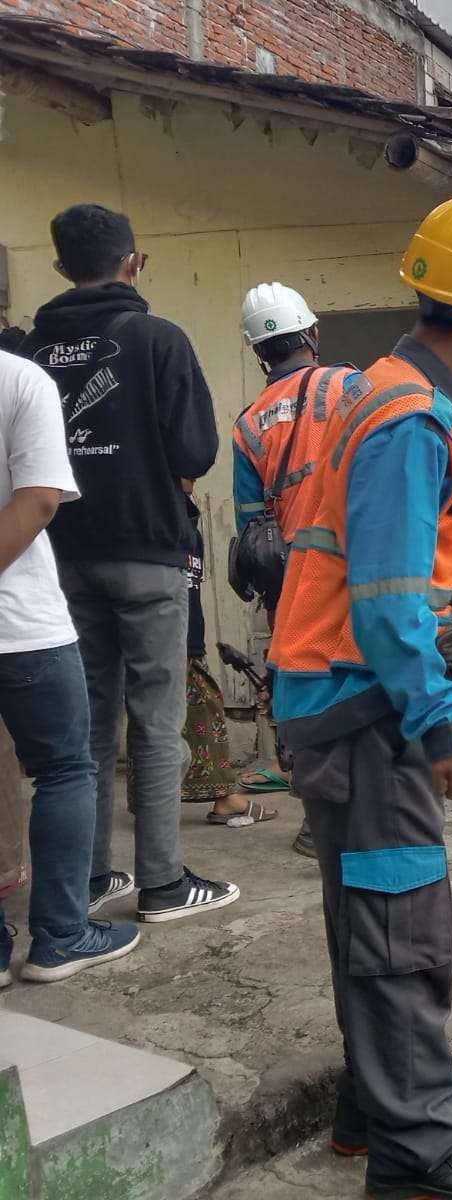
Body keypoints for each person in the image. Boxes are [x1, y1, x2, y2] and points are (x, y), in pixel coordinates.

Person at [269, 195, 452, 1200]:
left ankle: (379, 1104)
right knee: (402, 929)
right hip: (364, 710)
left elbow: (389, 569)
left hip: (331, 695)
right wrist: (438, 719)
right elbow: (386, 600)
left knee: (368, 916)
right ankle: (417, 1155)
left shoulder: (383, 391)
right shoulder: (407, 419)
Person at [22, 203, 238, 923]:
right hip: (146, 551)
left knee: (86, 723)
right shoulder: (157, 338)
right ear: (133, 261)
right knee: (156, 719)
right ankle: (164, 884)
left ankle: (90, 877)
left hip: (58, 559)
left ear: (60, 269)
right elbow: (194, 453)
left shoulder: (28, 354)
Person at [0, 347, 141, 984]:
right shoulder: (18, 379)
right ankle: (60, 935)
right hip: (22, 626)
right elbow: (37, 501)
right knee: (64, 769)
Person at [233, 282, 359, 859]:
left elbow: (249, 520)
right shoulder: (351, 386)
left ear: (261, 351)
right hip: (358, 562)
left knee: (304, 692)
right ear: (310, 333)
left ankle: (318, 822)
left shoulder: (250, 422)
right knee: (364, 677)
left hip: (292, 578)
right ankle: (369, 808)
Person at [181, 511, 276, 826]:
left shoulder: (189, 527)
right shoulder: (163, 522)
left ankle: (154, 798)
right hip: (171, 640)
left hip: (186, 636)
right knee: (203, 713)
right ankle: (224, 797)